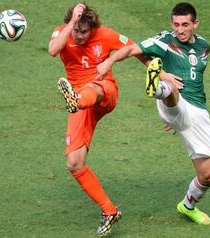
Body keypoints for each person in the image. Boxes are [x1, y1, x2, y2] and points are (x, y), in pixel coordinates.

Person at [97, 2, 210, 225]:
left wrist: (179, 122)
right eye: (176, 24)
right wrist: (109, 61)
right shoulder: (164, 40)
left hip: (197, 111)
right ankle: (159, 88)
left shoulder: (204, 47)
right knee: (171, 87)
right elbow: (131, 49)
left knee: (208, 175)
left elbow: (197, 81)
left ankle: (187, 206)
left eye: (185, 25)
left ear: (195, 24)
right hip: (174, 100)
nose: (180, 30)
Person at [48, 2, 149, 235]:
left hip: (104, 92)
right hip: (79, 105)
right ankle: (109, 210)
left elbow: (138, 49)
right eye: (76, 30)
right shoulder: (62, 32)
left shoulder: (105, 35)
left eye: (85, 32)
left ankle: (77, 99)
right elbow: (53, 50)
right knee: (74, 163)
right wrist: (71, 23)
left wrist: (158, 72)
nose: (80, 36)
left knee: (95, 86)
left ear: (92, 28)